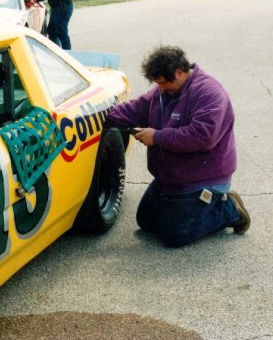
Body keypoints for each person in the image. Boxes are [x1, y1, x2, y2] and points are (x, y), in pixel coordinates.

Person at [104, 45, 251, 248]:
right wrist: (101, 118)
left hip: (202, 179)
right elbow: (136, 108)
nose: (160, 88)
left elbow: (202, 136)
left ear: (179, 72)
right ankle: (191, 209)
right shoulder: (162, 92)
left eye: (163, 83)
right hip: (172, 177)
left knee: (175, 235)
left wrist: (157, 137)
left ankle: (229, 209)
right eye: (157, 84)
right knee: (146, 221)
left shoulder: (209, 93)